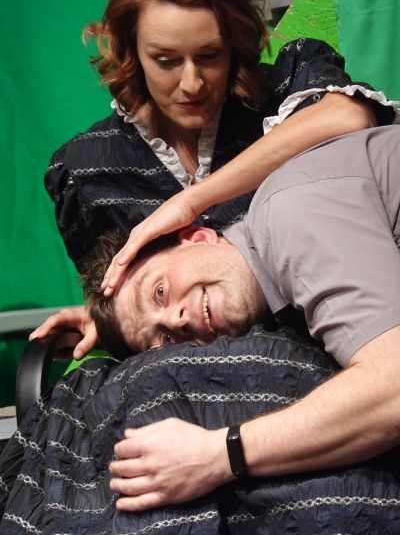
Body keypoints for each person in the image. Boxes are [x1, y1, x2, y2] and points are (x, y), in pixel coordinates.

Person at [31, 0, 398, 359]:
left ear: (233, 46)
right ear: (131, 51)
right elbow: (126, 292)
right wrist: (110, 320)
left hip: (341, 342)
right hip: (209, 379)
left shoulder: (284, 88)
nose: (192, 84)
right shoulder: (85, 173)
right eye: (166, 60)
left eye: (209, 56)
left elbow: (347, 117)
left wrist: (191, 200)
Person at [79, 124, 400, 512]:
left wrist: (218, 455)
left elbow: (393, 388)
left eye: (159, 291)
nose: (177, 320)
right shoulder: (277, 300)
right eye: (162, 339)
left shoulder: (289, 214)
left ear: (196, 237)